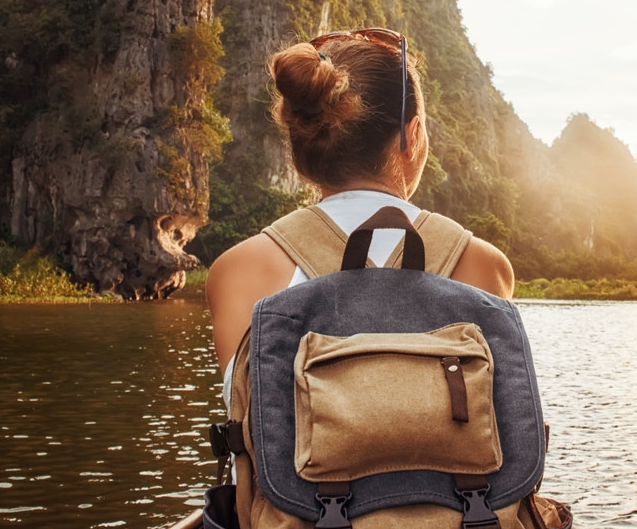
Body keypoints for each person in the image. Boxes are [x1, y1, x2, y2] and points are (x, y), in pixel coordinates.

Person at [206, 27, 514, 371]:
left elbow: (247, 416)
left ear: (299, 145)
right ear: (411, 137)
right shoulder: (482, 266)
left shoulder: (239, 271)